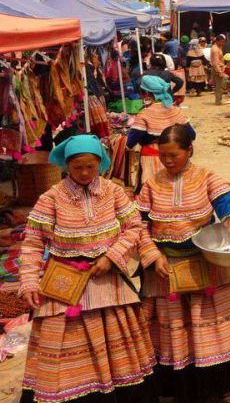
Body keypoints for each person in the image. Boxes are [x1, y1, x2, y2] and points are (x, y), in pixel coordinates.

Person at [18, 135, 156, 403]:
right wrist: (29, 282)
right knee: (62, 345)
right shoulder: (51, 198)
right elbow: (34, 242)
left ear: (101, 164)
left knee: (118, 345)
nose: (84, 173)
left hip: (107, 278)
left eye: (90, 167)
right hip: (64, 282)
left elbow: (134, 227)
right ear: (66, 165)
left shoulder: (113, 192)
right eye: (77, 167)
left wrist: (113, 256)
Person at [137, 124, 230, 402]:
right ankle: (176, 388)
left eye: (174, 155)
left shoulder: (208, 178)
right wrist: (151, 255)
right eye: (163, 156)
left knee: (209, 329)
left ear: (190, 151)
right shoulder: (150, 185)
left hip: (205, 266)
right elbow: (138, 226)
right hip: (164, 272)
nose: (168, 161)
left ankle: (216, 386)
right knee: (172, 332)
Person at [127, 75, 194, 193]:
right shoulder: (176, 110)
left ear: (146, 94)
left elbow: (130, 142)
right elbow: (192, 135)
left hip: (152, 160)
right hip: (177, 157)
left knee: (153, 192)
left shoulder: (144, 114)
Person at [210, 34, 227, 105]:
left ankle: (219, 100)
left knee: (220, 85)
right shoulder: (215, 49)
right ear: (218, 41)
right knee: (219, 86)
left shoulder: (219, 47)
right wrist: (219, 71)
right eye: (222, 41)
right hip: (217, 69)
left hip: (220, 67)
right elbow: (215, 62)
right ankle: (218, 101)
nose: (223, 43)